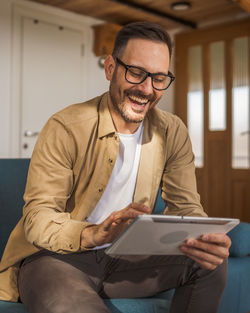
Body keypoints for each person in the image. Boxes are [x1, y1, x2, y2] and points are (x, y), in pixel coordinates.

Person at [0, 22, 231, 313]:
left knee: (210, 264)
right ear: (110, 68)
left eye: (159, 78)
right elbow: (38, 217)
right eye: (136, 72)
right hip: (55, 258)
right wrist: (93, 234)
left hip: (127, 255)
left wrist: (203, 239)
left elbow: (186, 208)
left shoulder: (172, 131)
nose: (147, 89)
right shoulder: (65, 127)